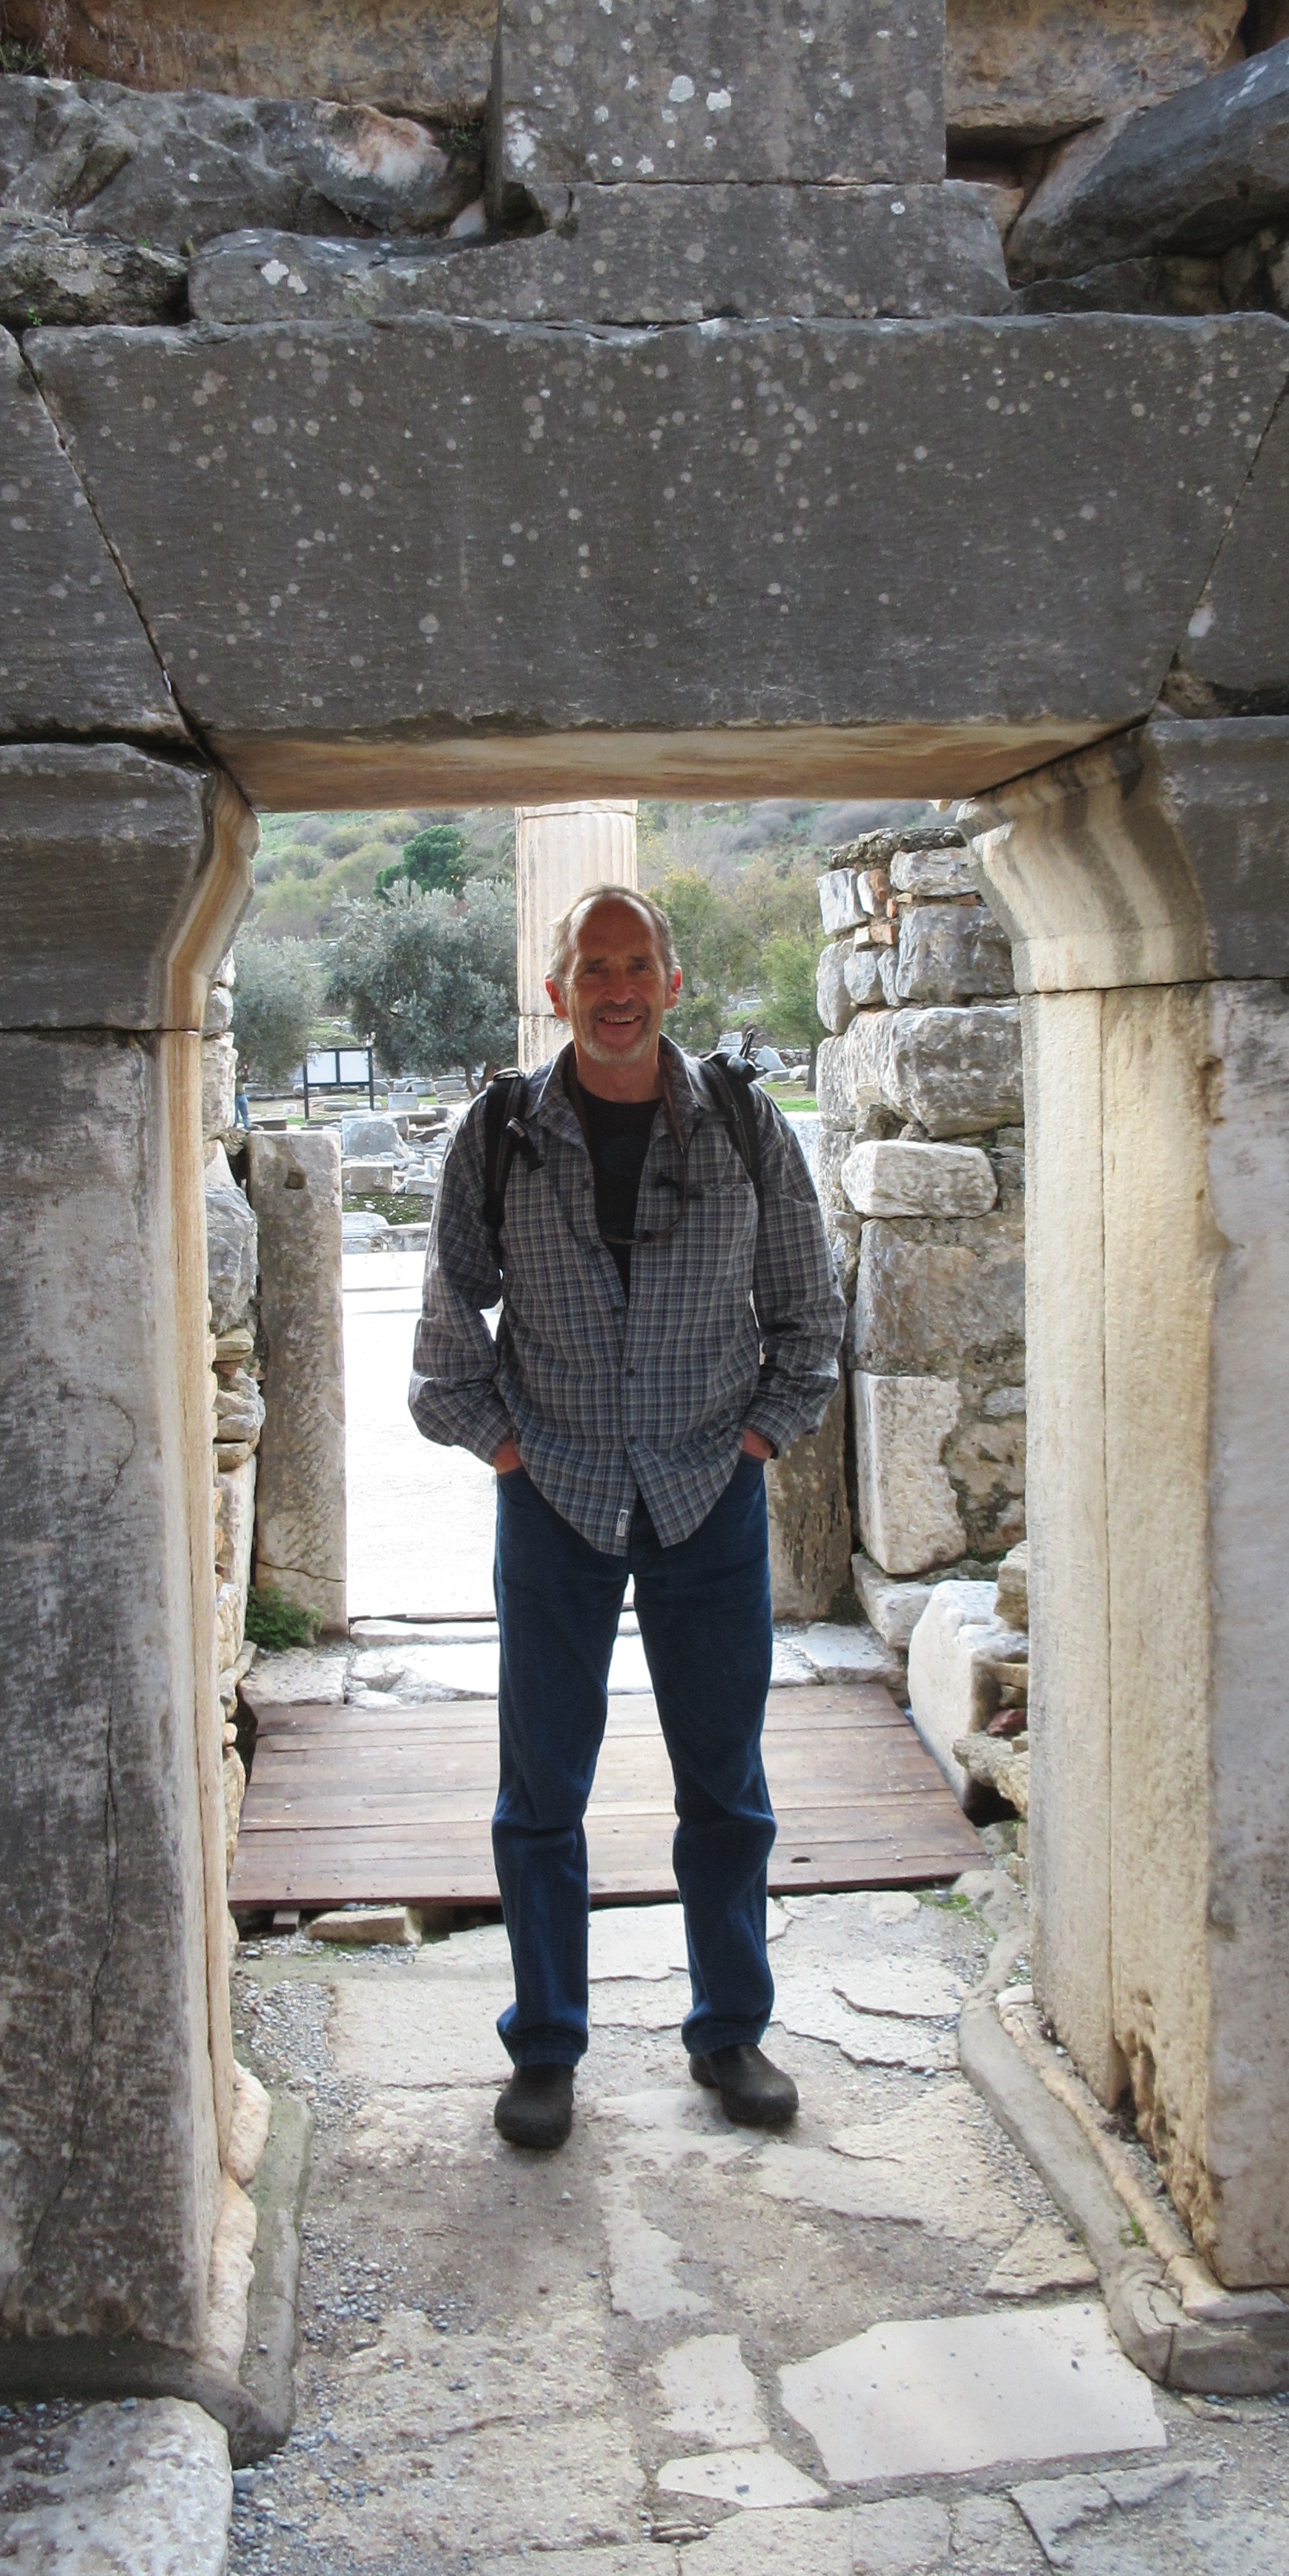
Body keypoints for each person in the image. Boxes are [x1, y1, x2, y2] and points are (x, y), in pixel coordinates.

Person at [409, 885, 846, 2152]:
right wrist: (506, 1454)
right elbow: (448, 1323)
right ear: (558, 991)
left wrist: (758, 1438)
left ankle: (731, 2032)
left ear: (671, 983)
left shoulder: (746, 1126)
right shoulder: (500, 1131)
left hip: (710, 1492)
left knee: (727, 1785)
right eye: (592, 968)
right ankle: (546, 2046)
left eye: (637, 965)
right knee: (543, 1790)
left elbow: (808, 1312)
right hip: (556, 1497)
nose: (616, 990)